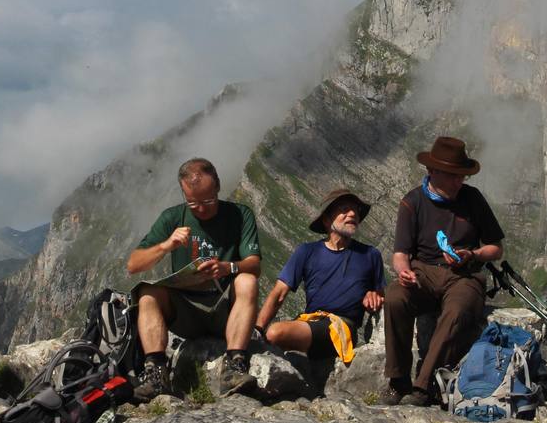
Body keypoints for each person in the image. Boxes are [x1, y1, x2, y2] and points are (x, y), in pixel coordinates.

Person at [382, 136, 504, 407]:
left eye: (462, 176)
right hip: (423, 271)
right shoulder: (412, 202)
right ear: (432, 172)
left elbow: (496, 247)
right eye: (452, 176)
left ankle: (424, 386)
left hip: (464, 275)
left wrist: (473, 255)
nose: (458, 182)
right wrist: (404, 272)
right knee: (394, 298)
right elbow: (401, 254)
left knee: (458, 310)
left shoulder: (472, 199)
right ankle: (397, 379)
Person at [126, 158, 261, 400]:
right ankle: (156, 374)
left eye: (207, 200)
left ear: (218, 186)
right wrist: (166, 245)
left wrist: (227, 267)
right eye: (192, 202)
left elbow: (254, 263)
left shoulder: (240, 215)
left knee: (247, 281)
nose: (200, 208)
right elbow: (134, 264)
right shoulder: (172, 218)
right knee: (147, 293)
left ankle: (234, 366)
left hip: (224, 309)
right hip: (185, 312)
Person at [255, 189, 384, 364]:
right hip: (311, 323)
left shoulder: (370, 255)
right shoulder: (307, 251)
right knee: (269, 335)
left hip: (341, 327)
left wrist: (373, 295)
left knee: (275, 333)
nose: (352, 213)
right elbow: (279, 293)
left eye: (355, 210)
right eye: (344, 209)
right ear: (326, 220)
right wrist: (257, 329)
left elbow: (379, 296)